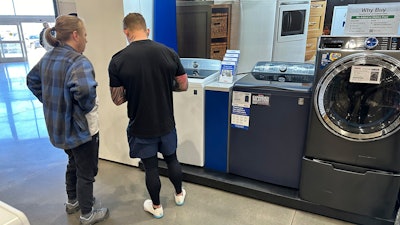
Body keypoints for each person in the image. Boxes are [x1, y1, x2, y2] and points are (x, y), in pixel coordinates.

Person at [26, 15, 109, 225]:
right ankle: (87, 214)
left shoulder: (48, 57)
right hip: (80, 129)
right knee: (86, 171)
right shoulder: (78, 61)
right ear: (75, 35)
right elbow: (84, 92)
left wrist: (51, 103)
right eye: (85, 34)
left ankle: (73, 201)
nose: (87, 39)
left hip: (58, 128)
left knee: (73, 162)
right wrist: (82, 107)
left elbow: (31, 80)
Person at [108, 12, 188, 219]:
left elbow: (117, 99)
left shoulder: (118, 60)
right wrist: (163, 85)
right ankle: (179, 195)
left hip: (141, 125)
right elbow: (183, 85)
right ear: (147, 30)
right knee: (172, 159)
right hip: (166, 122)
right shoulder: (169, 53)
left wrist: (133, 90)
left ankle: (157, 207)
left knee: (151, 166)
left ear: (126, 32)